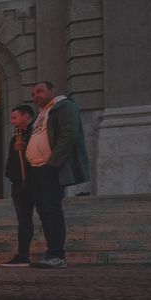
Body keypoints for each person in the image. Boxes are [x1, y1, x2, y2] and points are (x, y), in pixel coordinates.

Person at [26, 81, 89, 269]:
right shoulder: (41, 114)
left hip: (50, 167)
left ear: (52, 91)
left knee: (51, 210)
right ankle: (51, 253)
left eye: (40, 91)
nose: (36, 95)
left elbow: (69, 135)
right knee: (44, 211)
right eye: (33, 94)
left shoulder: (64, 106)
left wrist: (53, 163)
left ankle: (57, 255)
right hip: (36, 168)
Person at [2, 104, 37, 266]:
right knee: (23, 220)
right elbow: (11, 161)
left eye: (15, 117)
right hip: (18, 183)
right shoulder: (15, 138)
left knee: (47, 216)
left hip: (36, 182)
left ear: (25, 116)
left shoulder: (37, 132)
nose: (12, 122)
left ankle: (55, 253)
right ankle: (23, 255)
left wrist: (26, 148)